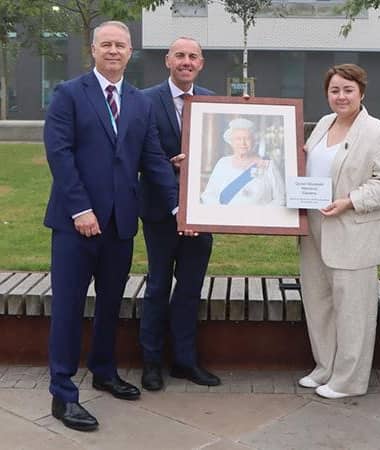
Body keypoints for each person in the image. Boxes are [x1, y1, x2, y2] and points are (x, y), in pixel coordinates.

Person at [44, 21, 179, 431]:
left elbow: (153, 159)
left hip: (121, 224)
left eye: (121, 45)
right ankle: (63, 394)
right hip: (76, 224)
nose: (114, 51)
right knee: (68, 307)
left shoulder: (140, 103)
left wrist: (179, 210)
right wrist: (80, 209)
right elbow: (60, 154)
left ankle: (104, 371)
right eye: (106, 45)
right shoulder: (69, 94)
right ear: (93, 50)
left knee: (109, 305)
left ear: (131, 50)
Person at [298, 64, 380, 399]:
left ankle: (349, 380)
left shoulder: (377, 132)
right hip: (314, 228)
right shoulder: (323, 125)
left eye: (348, 90)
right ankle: (325, 367)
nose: (340, 96)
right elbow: (306, 164)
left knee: (353, 309)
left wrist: (349, 201)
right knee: (319, 302)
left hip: (353, 230)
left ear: (362, 92)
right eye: (334, 90)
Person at [139, 37, 220, 391]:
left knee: (190, 288)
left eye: (193, 56)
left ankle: (185, 362)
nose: (186, 61)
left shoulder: (214, 102)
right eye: (180, 56)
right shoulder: (144, 101)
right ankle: (151, 363)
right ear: (167, 60)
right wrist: (169, 174)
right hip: (160, 212)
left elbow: (222, 153)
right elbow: (146, 156)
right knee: (157, 286)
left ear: (200, 63)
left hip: (203, 212)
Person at [200, 117, 285, 206]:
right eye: (238, 139)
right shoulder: (223, 163)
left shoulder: (268, 165)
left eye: (247, 138)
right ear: (231, 142)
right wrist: (223, 213)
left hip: (258, 219)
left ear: (253, 141)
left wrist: (261, 215)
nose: (243, 143)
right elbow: (208, 195)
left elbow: (280, 198)